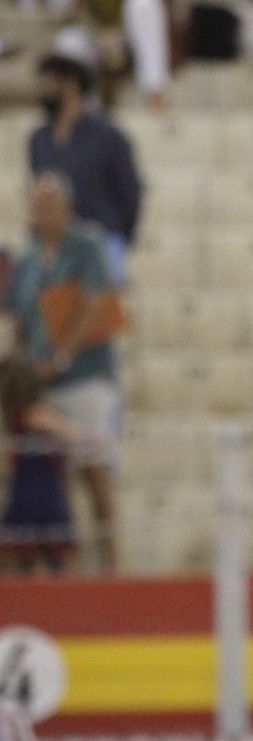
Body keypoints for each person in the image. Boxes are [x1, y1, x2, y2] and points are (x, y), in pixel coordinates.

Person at [3, 172, 122, 573]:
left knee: (94, 466)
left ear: (65, 207)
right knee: (53, 473)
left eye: (50, 204)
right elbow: (19, 318)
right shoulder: (29, 259)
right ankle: (67, 567)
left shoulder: (85, 245)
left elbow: (94, 303)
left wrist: (61, 354)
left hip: (86, 375)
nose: (43, 213)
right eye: (37, 206)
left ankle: (111, 563)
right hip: (44, 383)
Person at [27, 54, 142, 286]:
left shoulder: (109, 137)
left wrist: (120, 235)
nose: (41, 90)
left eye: (47, 83)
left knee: (100, 309)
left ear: (70, 85)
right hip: (54, 245)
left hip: (103, 239)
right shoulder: (39, 139)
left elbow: (131, 191)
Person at [0, 355, 80, 575]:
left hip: (27, 490)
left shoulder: (15, 415)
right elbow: (71, 434)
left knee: (30, 553)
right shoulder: (33, 412)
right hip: (42, 491)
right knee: (48, 551)